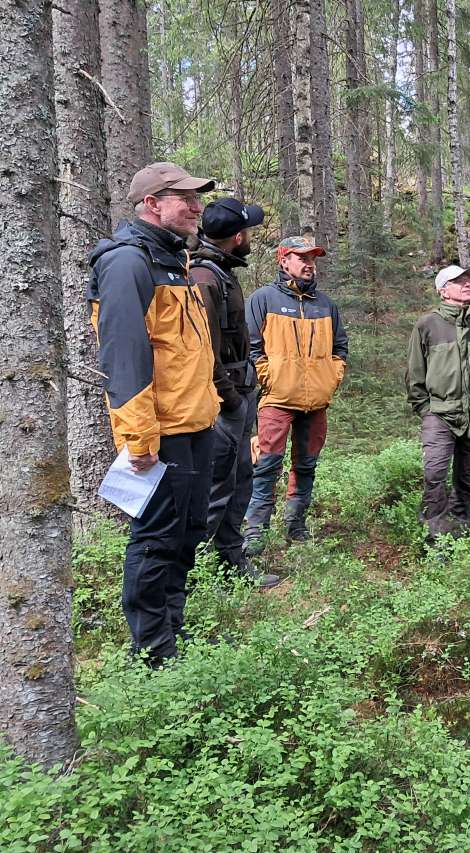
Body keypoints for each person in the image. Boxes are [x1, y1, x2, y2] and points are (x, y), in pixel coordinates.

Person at [87, 161, 218, 664]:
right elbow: (125, 357)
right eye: (183, 198)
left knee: (186, 535)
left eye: (196, 198)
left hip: (195, 423)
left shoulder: (173, 261)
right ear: (150, 205)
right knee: (157, 540)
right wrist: (139, 438)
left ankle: (173, 635)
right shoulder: (128, 263)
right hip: (160, 433)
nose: (195, 207)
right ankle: (153, 654)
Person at [189, 197, 280, 590]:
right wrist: (229, 398)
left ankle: (231, 561)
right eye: (249, 232)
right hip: (224, 400)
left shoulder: (223, 272)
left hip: (239, 394)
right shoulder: (204, 278)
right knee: (216, 485)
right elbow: (201, 349)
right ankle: (193, 578)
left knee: (241, 477)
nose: (250, 239)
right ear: (237, 236)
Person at [243, 236, 348, 554]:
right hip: (276, 400)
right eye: (301, 257)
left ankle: (296, 526)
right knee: (266, 466)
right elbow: (250, 345)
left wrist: (330, 379)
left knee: (306, 465)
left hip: (316, 402)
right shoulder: (263, 299)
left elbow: (340, 347)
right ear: (283, 260)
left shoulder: (326, 304)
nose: (309, 263)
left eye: (312, 258)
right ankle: (255, 533)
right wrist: (269, 379)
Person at [405, 264, 470, 541]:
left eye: (468, 280)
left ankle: (459, 530)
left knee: (466, 479)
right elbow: (415, 372)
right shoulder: (428, 325)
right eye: (458, 281)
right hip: (439, 413)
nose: (467, 284)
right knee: (435, 473)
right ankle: (434, 534)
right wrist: (426, 410)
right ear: (443, 290)